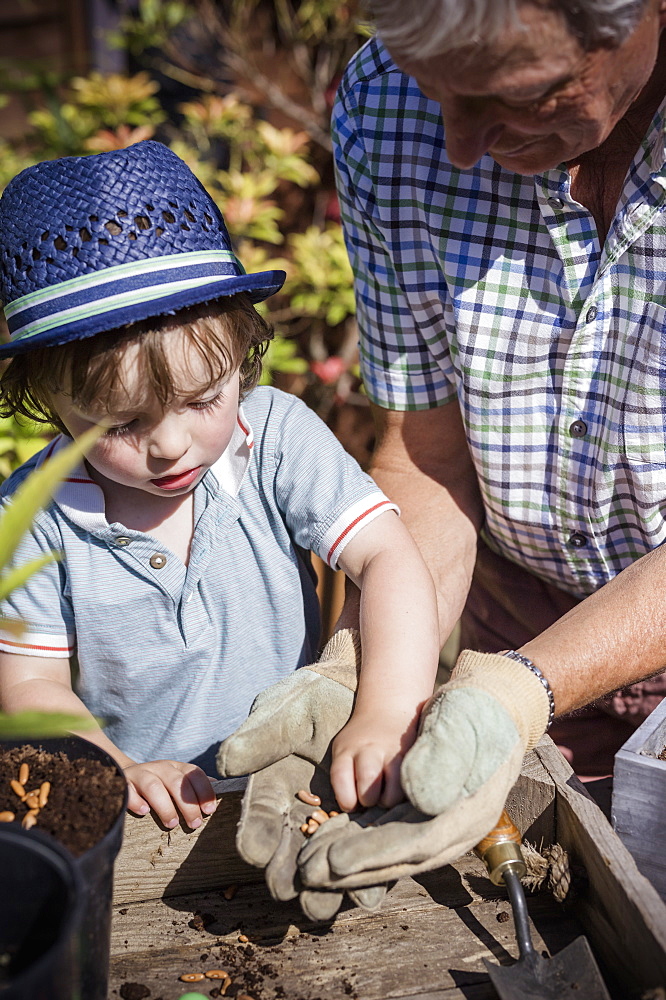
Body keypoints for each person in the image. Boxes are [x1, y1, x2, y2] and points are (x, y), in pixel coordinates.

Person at [217, 0, 666, 910]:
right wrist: (378, 671)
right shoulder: (387, 107)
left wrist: (515, 696)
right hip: (518, 609)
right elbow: (430, 460)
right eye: (439, 93)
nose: (459, 147)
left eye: (520, 94)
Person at [0, 140, 440, 838]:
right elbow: (31, 687)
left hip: (303, 784)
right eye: (120, 422)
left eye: (202, 400)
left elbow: (387, 558)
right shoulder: (35, 520)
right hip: (153, 821)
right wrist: (112, 768)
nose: (169, 444)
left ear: (241, 353)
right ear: (50, 401)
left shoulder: (274, 439)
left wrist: (386, 709)